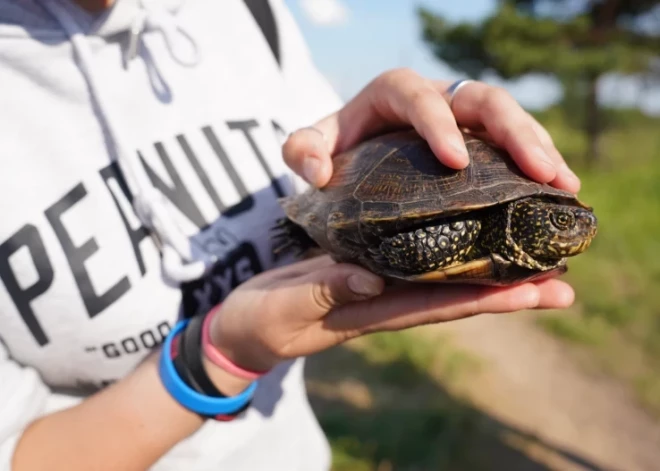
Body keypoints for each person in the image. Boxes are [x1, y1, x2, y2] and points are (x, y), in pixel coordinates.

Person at [0, 1, 581, 470]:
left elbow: (323, 166)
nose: (575, 227)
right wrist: (222, 356)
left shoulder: (246, 14)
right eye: (557, 220)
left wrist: (375, 128)